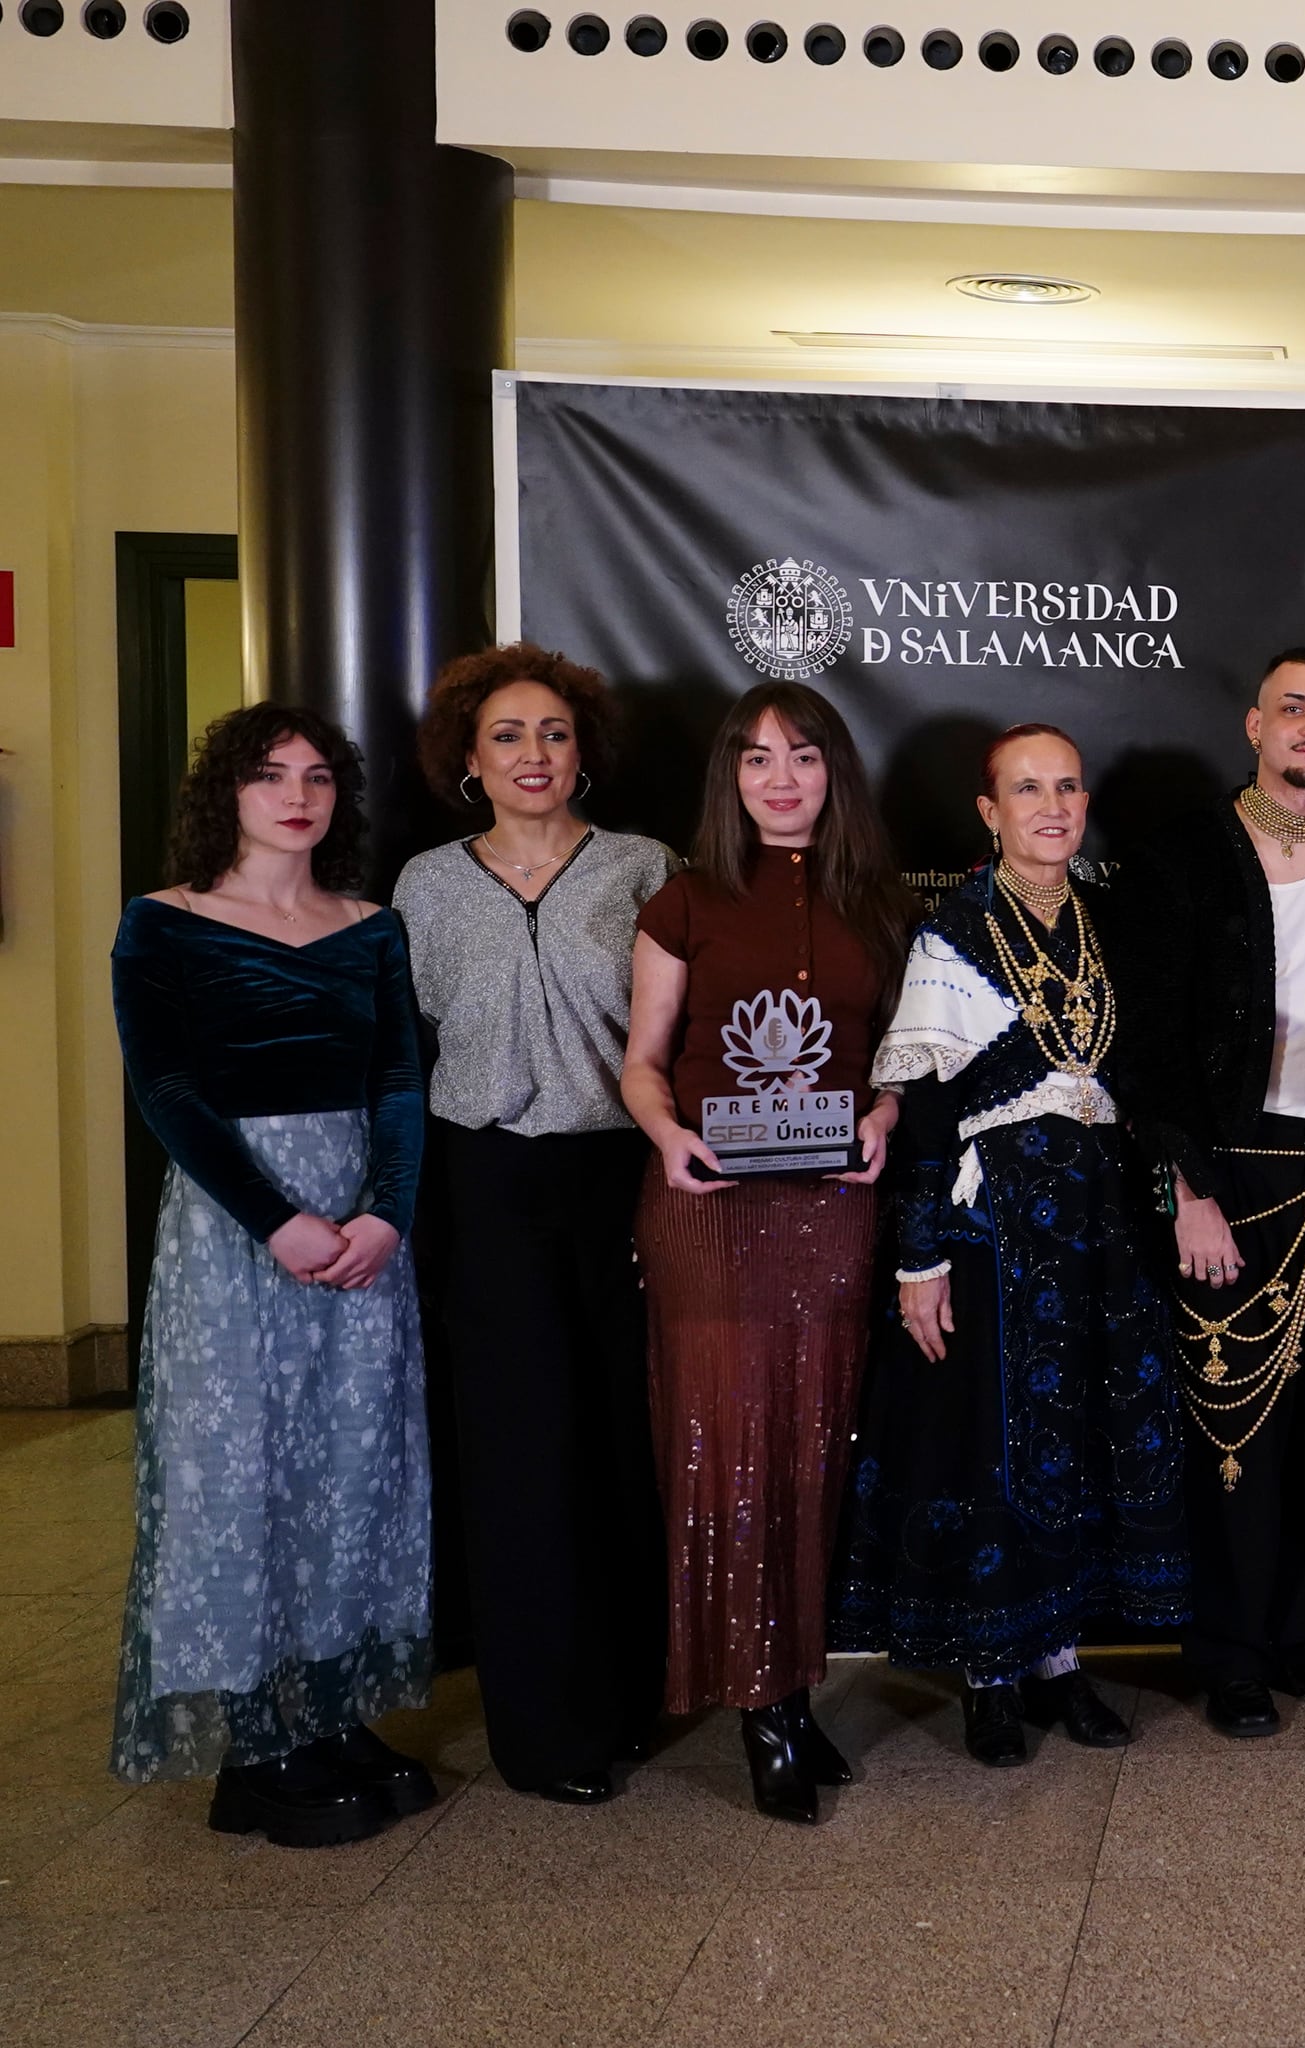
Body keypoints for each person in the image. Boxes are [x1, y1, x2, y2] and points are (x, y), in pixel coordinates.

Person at [109, 703, 438, 1848]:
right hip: (236, 1229)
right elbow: (170, 1093)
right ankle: (254, 1750)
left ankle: (330, 1710)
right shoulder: (165, 923)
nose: (295, 795)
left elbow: (401, 1081)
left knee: (353, 1465)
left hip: (362, 1228)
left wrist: (384, 1213)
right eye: (267, 775)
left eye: (316, 776)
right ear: (227, 794)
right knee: (241, 1472)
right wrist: (276, 1220)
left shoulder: (371, 924)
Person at [833, 722, 1189, 1765]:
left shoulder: (1107, 923)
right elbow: (927, 1116)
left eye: (1067, 786)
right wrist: (920, 1254)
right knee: (998, 1444)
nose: (1052, 805)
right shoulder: (955, 930)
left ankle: (1059, 1661)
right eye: (1027, 789)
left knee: (1075, 1437)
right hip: (995, 1229)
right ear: (988, 813)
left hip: (1098, 1224)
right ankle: (992, 1674)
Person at [394, 643, 676, 1806]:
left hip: (621, 1178)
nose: (532, 754)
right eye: (507, 735)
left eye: (553, 733)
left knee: (620, 1438)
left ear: (584, 752)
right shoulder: (423, 885)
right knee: (517, 1456)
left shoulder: (649, 868)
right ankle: (542, 1728)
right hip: (486, 1189)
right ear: (469, 757)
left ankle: (629, 1698)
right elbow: (403, 1050)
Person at [620, 682, 907, 1823]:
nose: (779, 778)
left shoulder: (879, 903)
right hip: (710, 1208)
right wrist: (666, 1135)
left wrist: (882, 1116)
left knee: (811, 1447)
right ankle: (758, 1709)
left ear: (835, 770)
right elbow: (643, 1059)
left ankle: (793, 1686)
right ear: (728, 779)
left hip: (831, 1205)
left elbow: (900, 1055)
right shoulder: (682, 900)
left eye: (802, 756)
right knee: (724, 1451)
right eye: (754, 758)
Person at [1123, 653, 1305, 1739]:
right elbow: (1142, 1044)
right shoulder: (1182, 854)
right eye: (1296, 709)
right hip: (1231, 1166)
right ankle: (1234, 1653)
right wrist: (1186, 1183)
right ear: (1254, 725)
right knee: (1234, 1422)